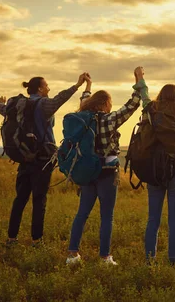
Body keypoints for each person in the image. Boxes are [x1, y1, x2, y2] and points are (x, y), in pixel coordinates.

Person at [0, 73, 88, 247]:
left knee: (20, 199)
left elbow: (3, 110)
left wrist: (0, 102)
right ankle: (37, 240)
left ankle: (11, 238)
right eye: (46, 86)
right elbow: (61, 98)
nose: (49, 88)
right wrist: (77, 85)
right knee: (39, 200)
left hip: (24, 158)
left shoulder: (17, 104)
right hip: (42, 160)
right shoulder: (44, 105)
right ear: (40, 89)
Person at [66, 73, 142, 266]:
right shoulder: (109, 120)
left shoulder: (84, 119)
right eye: (109, 103)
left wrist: (88, 85)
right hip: (107, 172)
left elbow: (85, 100)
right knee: (107, 215)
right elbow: (132, 105)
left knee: (82, 213)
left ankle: (72, 255)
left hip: (86, 171)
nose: (110, 106)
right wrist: (138, 79)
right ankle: (105, 257)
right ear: (104, 104)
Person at [132, 66, 175, 265]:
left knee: (153, 219)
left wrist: (140, 77)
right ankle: (174, 263)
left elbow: (143, 93)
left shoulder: (152, 108)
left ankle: (149, 261)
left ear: (161, 95)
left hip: (154, 168)